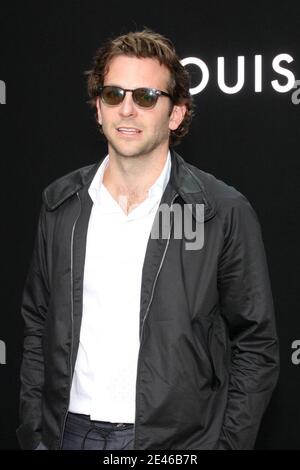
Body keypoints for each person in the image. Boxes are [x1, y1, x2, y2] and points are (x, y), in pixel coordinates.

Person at [17, 29, 279, 451]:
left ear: (175, 114)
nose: (127, 109)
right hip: (68, 434)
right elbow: (37, 323)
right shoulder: (61, 204)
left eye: (145, 97)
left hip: (176, 442)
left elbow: (255, 344)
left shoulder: (217, 211)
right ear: (98, 109)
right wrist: (35, 431)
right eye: (113, 94)